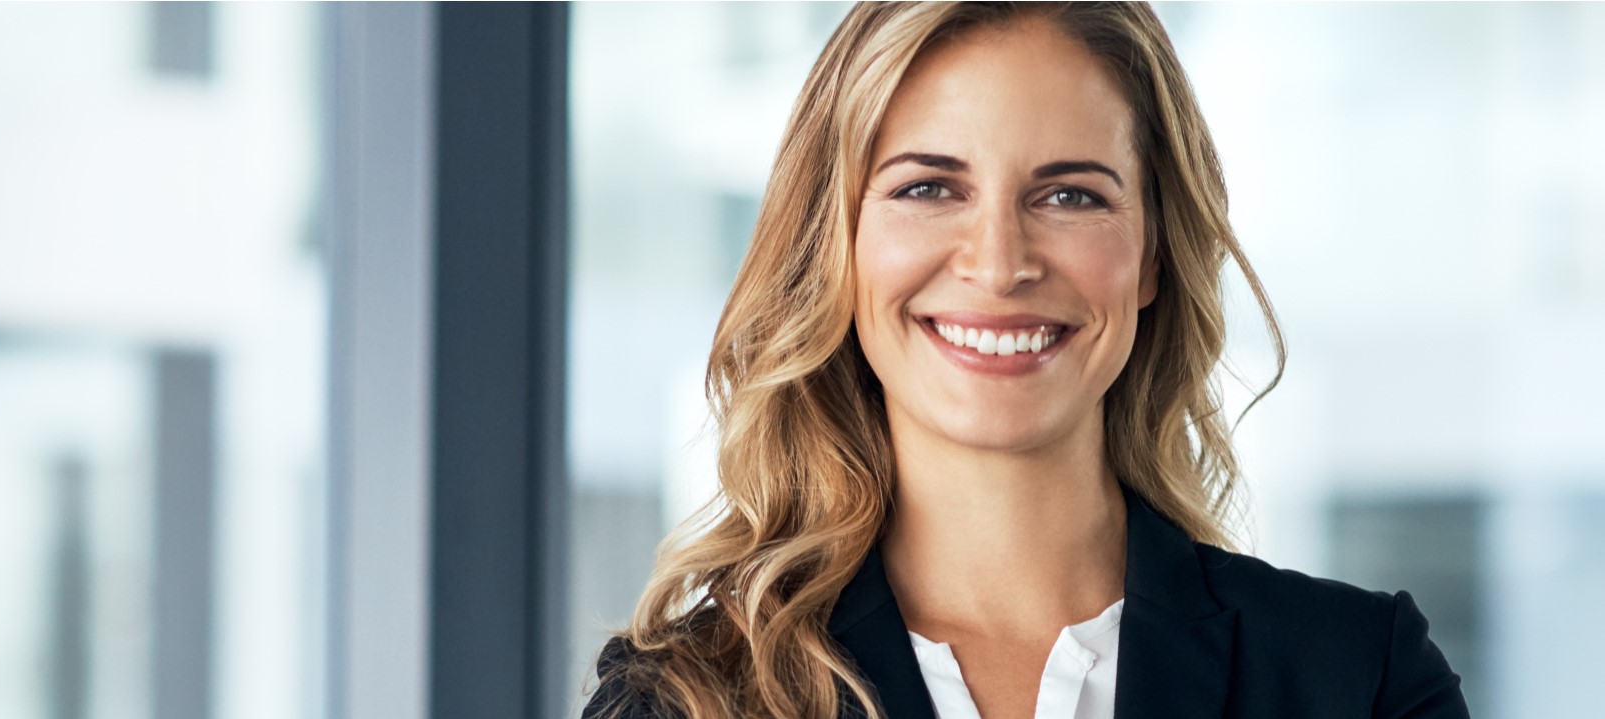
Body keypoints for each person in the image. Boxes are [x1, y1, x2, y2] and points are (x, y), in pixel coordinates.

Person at [580, 3, 1469, 719]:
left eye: (1071, 194)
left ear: (1154, 252)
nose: (999, 263)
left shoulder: (1360, 678)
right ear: (838, 246)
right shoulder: (688, 697)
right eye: (929, 188)